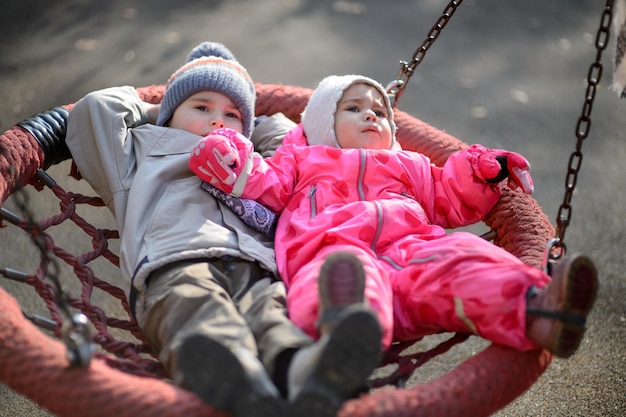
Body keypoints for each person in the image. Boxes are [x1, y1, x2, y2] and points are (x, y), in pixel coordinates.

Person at [65, 45, 382, 417]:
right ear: (169, 115)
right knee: (196, 310)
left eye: (232, 115)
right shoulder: (141, 152)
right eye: (201, 107)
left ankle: (308, 373)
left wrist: (255, 127)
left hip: (256, 264)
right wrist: (156, 110)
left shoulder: (254, 167)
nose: (218, 120)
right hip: (175, 262)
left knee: (273, 317)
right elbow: (95, 109)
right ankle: (237, 382)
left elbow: (292, 147)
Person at [189, 74, 599, 361]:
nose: (372, 116)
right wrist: (229, 158)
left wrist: (480, 171)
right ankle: (346, 342)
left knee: (464, 255)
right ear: (319, 126)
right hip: (333, 251)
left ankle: (538, 309)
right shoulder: (301, 158)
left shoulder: (407, 165)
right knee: (340, 281)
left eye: (380, 112)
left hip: (415, 254)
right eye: (353, 108)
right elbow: (265, 185)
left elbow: (449, 198)